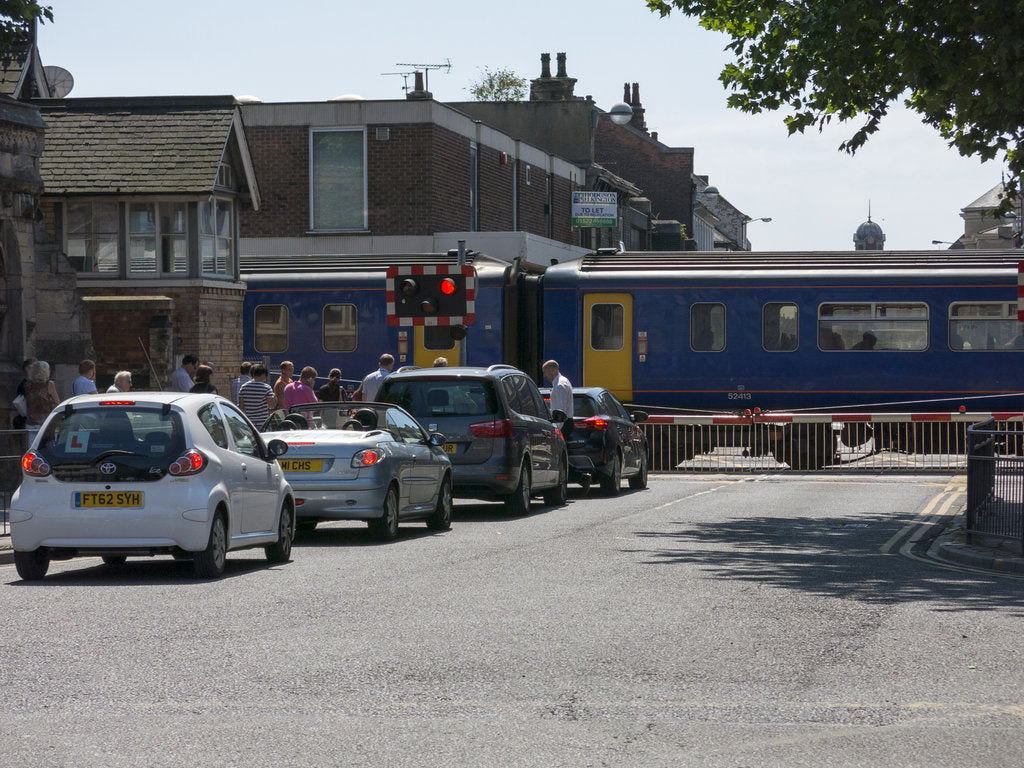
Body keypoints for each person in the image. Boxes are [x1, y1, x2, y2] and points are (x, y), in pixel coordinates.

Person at [24, 360, 59, 432]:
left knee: (32, 443)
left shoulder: (27, 385)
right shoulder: (49, 384)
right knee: (46, 442)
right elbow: (57, 402)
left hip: (30, 421)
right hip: (45, 421)